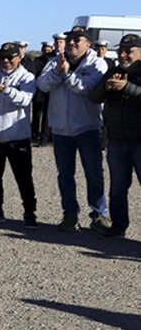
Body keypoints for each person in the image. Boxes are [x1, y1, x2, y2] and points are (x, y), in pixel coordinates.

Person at [36, 26, 110, 232]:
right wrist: (58, 72)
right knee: (65, 175)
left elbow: (87, 89)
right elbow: (42, 85)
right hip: (61, 129)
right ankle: (70, 214)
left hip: (88, 127)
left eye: (78, 39)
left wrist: (67, 74)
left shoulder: (98, 64)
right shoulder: (54, 62)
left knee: (94, 173)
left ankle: (98, 214)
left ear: (88, 43)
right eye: (70, 39)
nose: (72, 43)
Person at [0, 43, 38, 228]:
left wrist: (8, 91)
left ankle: (29, 212)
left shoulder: (27, 77)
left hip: (17, 135)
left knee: (24, 177)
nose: (6, 61)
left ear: (19, 57)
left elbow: (25, 99)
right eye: (3, 57)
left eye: (10, 57)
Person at [89, 33, 141, 238]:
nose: (123, 55)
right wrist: (106, 87)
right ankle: (119, 226)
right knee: (117, 188)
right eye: (121, 51)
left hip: (139, 140)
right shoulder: (113, 72)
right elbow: (93, 97)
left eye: (129, 51)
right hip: (117, 140)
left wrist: (127, 87)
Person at [32, 36, 61, 146]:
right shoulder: (42, 60)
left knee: (48, 114)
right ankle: (34, 133)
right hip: (41, 87)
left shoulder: (61, 57)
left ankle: (46, 135)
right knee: (37, 112)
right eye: (45, 49)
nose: (47, 51)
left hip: (53, 88)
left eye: (49, 48)